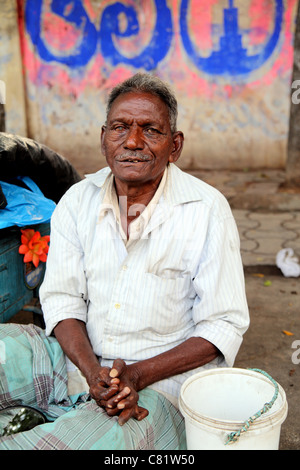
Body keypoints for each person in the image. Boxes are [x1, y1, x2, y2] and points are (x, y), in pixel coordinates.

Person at [0, 73, 249, 450]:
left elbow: (223, 325)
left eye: (151, 130)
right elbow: (62, 299)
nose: (132, 142)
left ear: (175, 145)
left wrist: (136, 375)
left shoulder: (206, 210)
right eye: (120, 128)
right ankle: (60, 407)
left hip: (160, 385)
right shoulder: (77, 200)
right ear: (104, 138)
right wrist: (91, 371)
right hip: (77, 360)